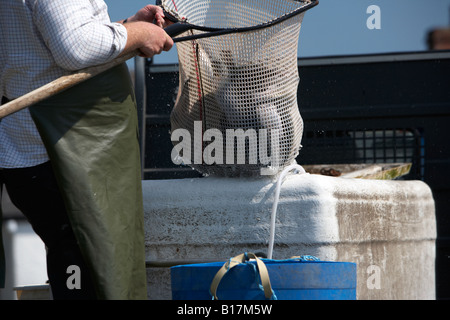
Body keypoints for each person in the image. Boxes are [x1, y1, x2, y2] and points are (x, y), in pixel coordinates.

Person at [0, 1, 173, 300]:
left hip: (36, 153)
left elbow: (50, 41)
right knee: (85, 265)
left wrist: (126, 26)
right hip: (63, 153)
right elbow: (76, 47)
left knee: (75, 258)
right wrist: (137, 33)